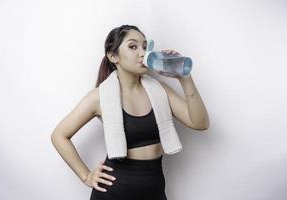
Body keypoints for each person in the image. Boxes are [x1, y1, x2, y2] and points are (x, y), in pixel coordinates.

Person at [51, 24, 210, 200]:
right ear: (113, 56)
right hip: (114, 191)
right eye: (133, 46)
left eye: (144, 46)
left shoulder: (160, 90)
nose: (142, 53)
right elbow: (59, 135)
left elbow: (200, 123)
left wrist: (184, 77)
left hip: (154, 190)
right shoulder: (99, 97)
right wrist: (86, 176)